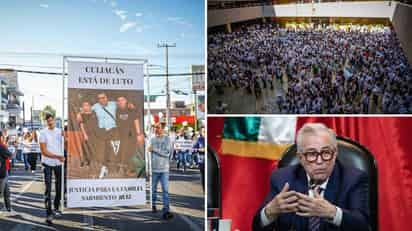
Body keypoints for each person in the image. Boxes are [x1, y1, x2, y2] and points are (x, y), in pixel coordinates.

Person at [252, 123, 369, 231]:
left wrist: (333, 213)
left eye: (326, 153)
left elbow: (363, 226)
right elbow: (257, 226)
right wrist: (270, 212)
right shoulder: (282, 178)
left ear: (335, 154)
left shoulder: (353, 179)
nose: (319, 161)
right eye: (312, 154)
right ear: (300, 157)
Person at [39, 114, 65, 225]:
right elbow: (44, 151)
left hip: (59, 164)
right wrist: (57, 156)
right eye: (48, 121)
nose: (50, 122)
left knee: (59, 188)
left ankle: (56, 207)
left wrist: (67, 137)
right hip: (47, 163)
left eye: (51, 120)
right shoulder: (43, 133)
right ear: (46, 122)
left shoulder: (60, 131)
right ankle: (49, 213)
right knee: (48, 189)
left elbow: (67, 144)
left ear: (54, 120)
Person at [148, 123, 173, 220]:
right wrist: (148, 167)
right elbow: (148, 152)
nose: (155, 129)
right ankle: (153, 205)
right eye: (155, 128)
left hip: (164, 169)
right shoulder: (152, 139)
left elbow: (167, 153)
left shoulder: (167, 139)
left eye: (157, 128)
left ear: (162, 129)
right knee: (153, 189)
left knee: (165, 191)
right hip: (154, 169)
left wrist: (154, 149)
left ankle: (166, 209)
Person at [115, 96, 144, 177]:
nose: (120, 102)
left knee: (131, 152)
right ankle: (124, 169)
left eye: (122, 100)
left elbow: (136, 120)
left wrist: (138, 134)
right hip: (121, 136)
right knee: (122, 152)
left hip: (131, 135)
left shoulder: (131, 110)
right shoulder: (117, 110)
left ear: (126, 101)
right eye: (119, 100)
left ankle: (131, 170)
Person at [91, 93, 118, 178]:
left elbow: (124, 107)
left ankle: (108, 167)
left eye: (103, 98)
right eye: (99, 98)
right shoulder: (96, 106)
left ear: (107, 98)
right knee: (105, 150)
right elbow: (87, 110)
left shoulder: (113, 104)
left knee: (113, 149)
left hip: (114, 130)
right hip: (103, 131)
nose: (101, 100)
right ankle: (105, 167)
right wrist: (80, 113)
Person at [0, 131, 12, 214]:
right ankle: (5, 207)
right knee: (1, 191)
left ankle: (8, 206)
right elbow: (9, 155)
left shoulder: (3, 145)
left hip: (5, 170)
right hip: (2, 172)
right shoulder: (1, 146)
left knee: (6, 190)